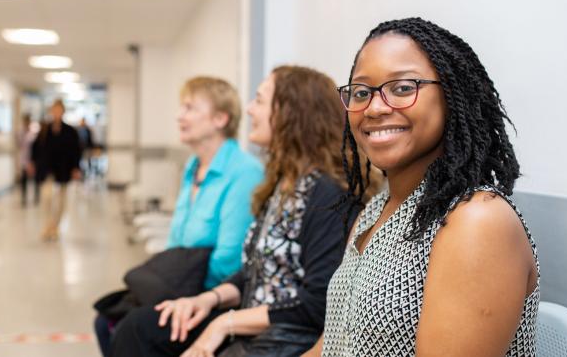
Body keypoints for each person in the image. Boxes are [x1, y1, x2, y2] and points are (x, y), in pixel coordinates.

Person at [302, 18, 540, 357]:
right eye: (361, 92)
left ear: (452, 95)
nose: (375, 107)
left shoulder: (475, 220)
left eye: (402, 88)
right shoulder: (377, 209)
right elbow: (332, 346)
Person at [108, 66, 382, 357]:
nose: (249, 109)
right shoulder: (284, 183)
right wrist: (207, 300)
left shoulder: (327, 193)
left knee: (141, 331)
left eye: (260, 101)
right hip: (254, 320)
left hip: (286, 335)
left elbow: (317, 304)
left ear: (292, 113)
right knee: (139, 326)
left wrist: (223, 324)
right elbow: (253, 269)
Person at [93, 77, 263, 356]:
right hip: (182, 282)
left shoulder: (245, 172)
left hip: (216, 297)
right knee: (106, 318)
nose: (179, 116)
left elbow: (229, 261)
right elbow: (177, 241)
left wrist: (179, 296)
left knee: (133, 327)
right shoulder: (193, 166)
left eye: (190, 108)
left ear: (220, 118)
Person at [30, 99, 82, 241]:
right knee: (46, 197)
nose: (56, 113)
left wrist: (76, 168)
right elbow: (35, 148)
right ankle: (48, 225)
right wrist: (32, 163)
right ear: (51, 111)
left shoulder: (70, 132)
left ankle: (56, 226)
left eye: (59, 110)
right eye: (54, 110)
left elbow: (76, 151)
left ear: (63, 111)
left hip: (64, 170)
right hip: (47, 170)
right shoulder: (44, 130)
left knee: (61, 201)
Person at [17, 114, 37, 206]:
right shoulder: (20, 133)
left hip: (33, 159)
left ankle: (36, 197)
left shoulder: (33, 133)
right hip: (24, 159)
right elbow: (19, 145)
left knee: (35, 178)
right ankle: (24, 198)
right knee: (24, 179)